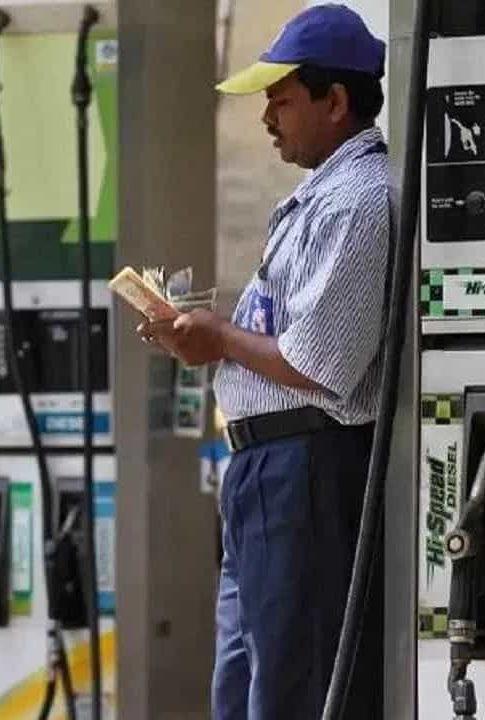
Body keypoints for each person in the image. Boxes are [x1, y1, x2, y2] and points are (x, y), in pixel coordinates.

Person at [137, 5, 388, 718]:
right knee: (244, 687)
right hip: (265, 471)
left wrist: (218, 338)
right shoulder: (317, 201)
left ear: (334, 102)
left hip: (307, 469)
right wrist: (200, 336)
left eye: (281, 100)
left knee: (291, 688)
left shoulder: (360, 202)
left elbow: (320, 364)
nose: (268, 118)